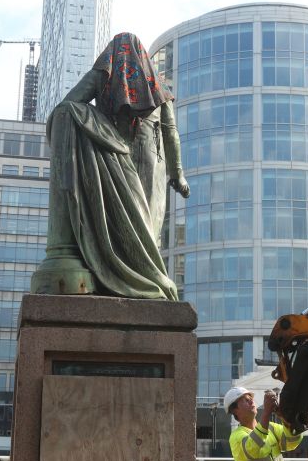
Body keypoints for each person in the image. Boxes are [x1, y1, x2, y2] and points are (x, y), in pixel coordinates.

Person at [32, 32, 190, 299]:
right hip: (147, 163)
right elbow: (171, 133)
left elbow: (67, 106)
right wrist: (178, 174)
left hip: (116, 161)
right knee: (145, 230)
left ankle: (134, 281)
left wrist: (89, 129)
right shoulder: (157, 86)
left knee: (133, 229)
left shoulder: (106, 73)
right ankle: (146, 281)